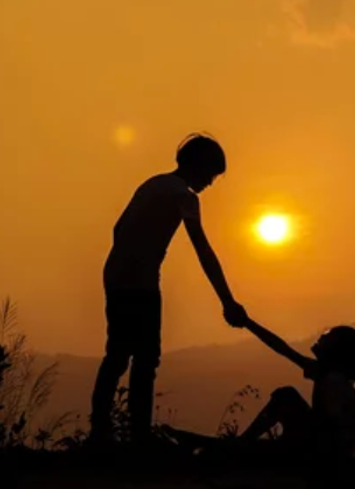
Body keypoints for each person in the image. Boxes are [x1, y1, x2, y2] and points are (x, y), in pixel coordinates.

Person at [89, 133, 248, 446]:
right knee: (145, 358)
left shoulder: (152, 184)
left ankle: (101, 430)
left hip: (116, 275)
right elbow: (202, 248)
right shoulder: (184, 197)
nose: (212, 182)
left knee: (117, 354)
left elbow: (117, 228)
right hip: (141, 281)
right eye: (211, 174)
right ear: (199, 167)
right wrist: (228, 300)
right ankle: (139, 437)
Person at [164, 318, 355, 477]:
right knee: (284, 400)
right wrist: (248, 322)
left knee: (286, 398)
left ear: (336, 350)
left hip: (322, 455)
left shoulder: (334, 381)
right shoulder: (326, 373)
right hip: (317, 449)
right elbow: (282, 348)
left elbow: (331, 430)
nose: (322, 336)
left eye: (328, 335)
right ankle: (232, 446)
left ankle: (233, 446)